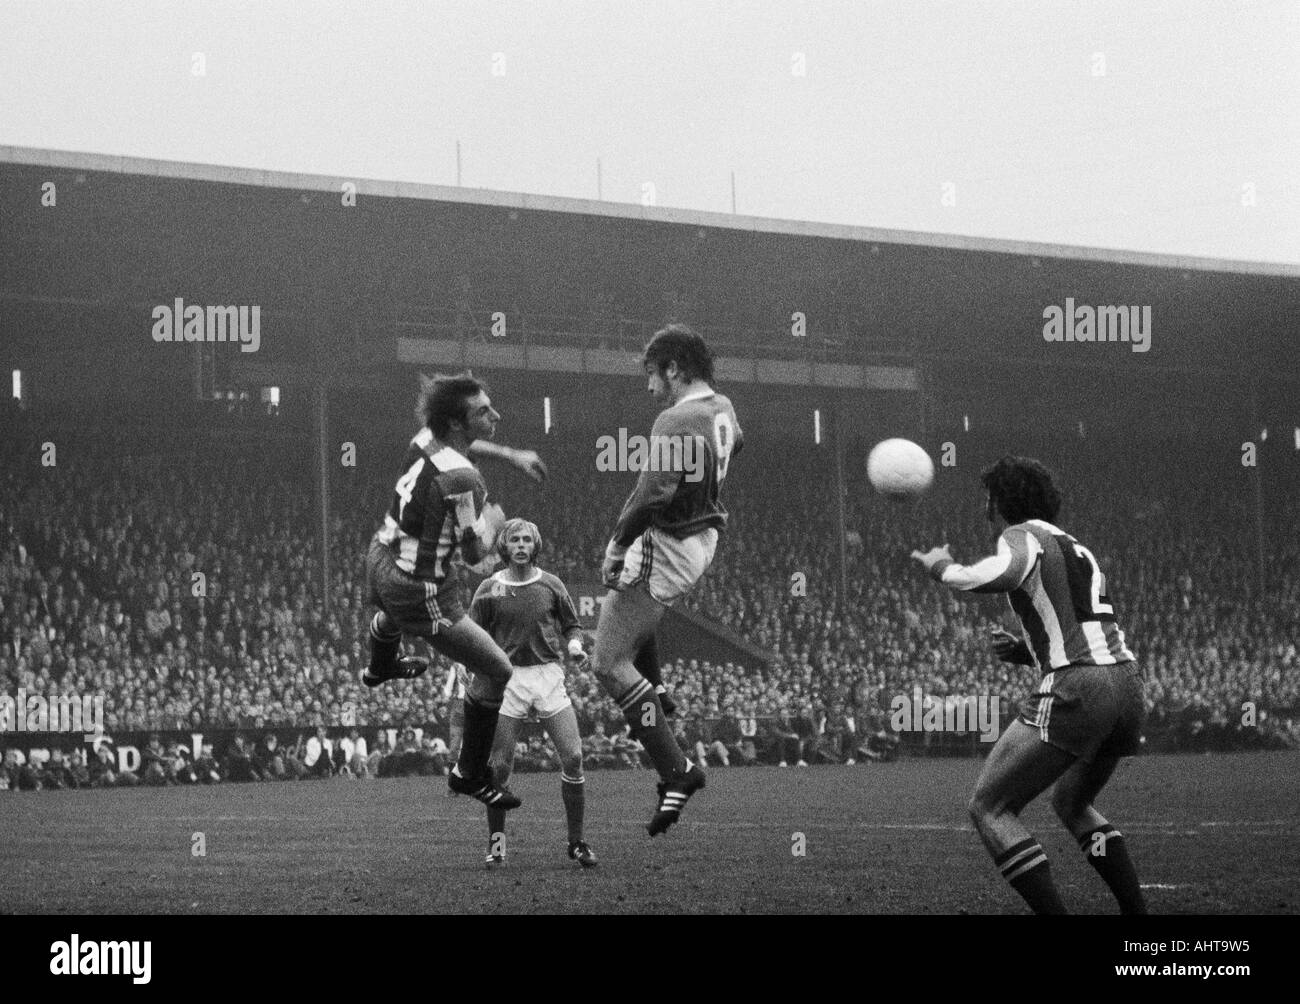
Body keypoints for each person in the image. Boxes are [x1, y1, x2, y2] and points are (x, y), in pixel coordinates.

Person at [911, 455, 1147, 915]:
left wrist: (944, 568)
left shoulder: (1020, 535)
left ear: (998, 501)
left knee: (989, 807)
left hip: (1081, 687)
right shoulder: (1076, 546)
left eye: (988, 496)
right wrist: (1029, 650)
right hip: (1128, 685)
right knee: (1073, 803)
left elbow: (1003, 573)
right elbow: (1082, 623)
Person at [590, 324, 743, 836]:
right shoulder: (723, 407)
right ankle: (656, 687)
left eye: (652, 376)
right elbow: (736, 443)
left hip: (669, 543)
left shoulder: (675, 419)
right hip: (704, 540)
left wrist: (616, 545)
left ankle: (677, 771)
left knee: (608, 664)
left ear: (674, 370)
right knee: (637, 628)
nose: (650, 387)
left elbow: (651, 496)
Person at [364, 372, 538, 811]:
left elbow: (467, 451)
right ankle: (468, 773)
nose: (495, 415)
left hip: (381, 554)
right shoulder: (465, 481)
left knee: (390, 616)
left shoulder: (426, 438)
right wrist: (496, 521)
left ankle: (379, 666)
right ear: (458, 424)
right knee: (497, 670)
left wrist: (511, 454)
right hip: (420, 588)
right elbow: (476, 553)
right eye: (483, 411)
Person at [470, 518, 597, 869]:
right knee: (499, 768)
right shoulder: (489, 588)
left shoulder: (551, 584)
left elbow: (572, 623)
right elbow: (471, 633)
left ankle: (577, 843)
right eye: (515, 539)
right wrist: (474, 667)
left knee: (572, 756)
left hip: (547, 676)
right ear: (505, 547)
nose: (522, 544)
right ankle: (496, 846)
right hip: (506, 679)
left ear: (535, 544)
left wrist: (574, 645)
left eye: (527, 539)